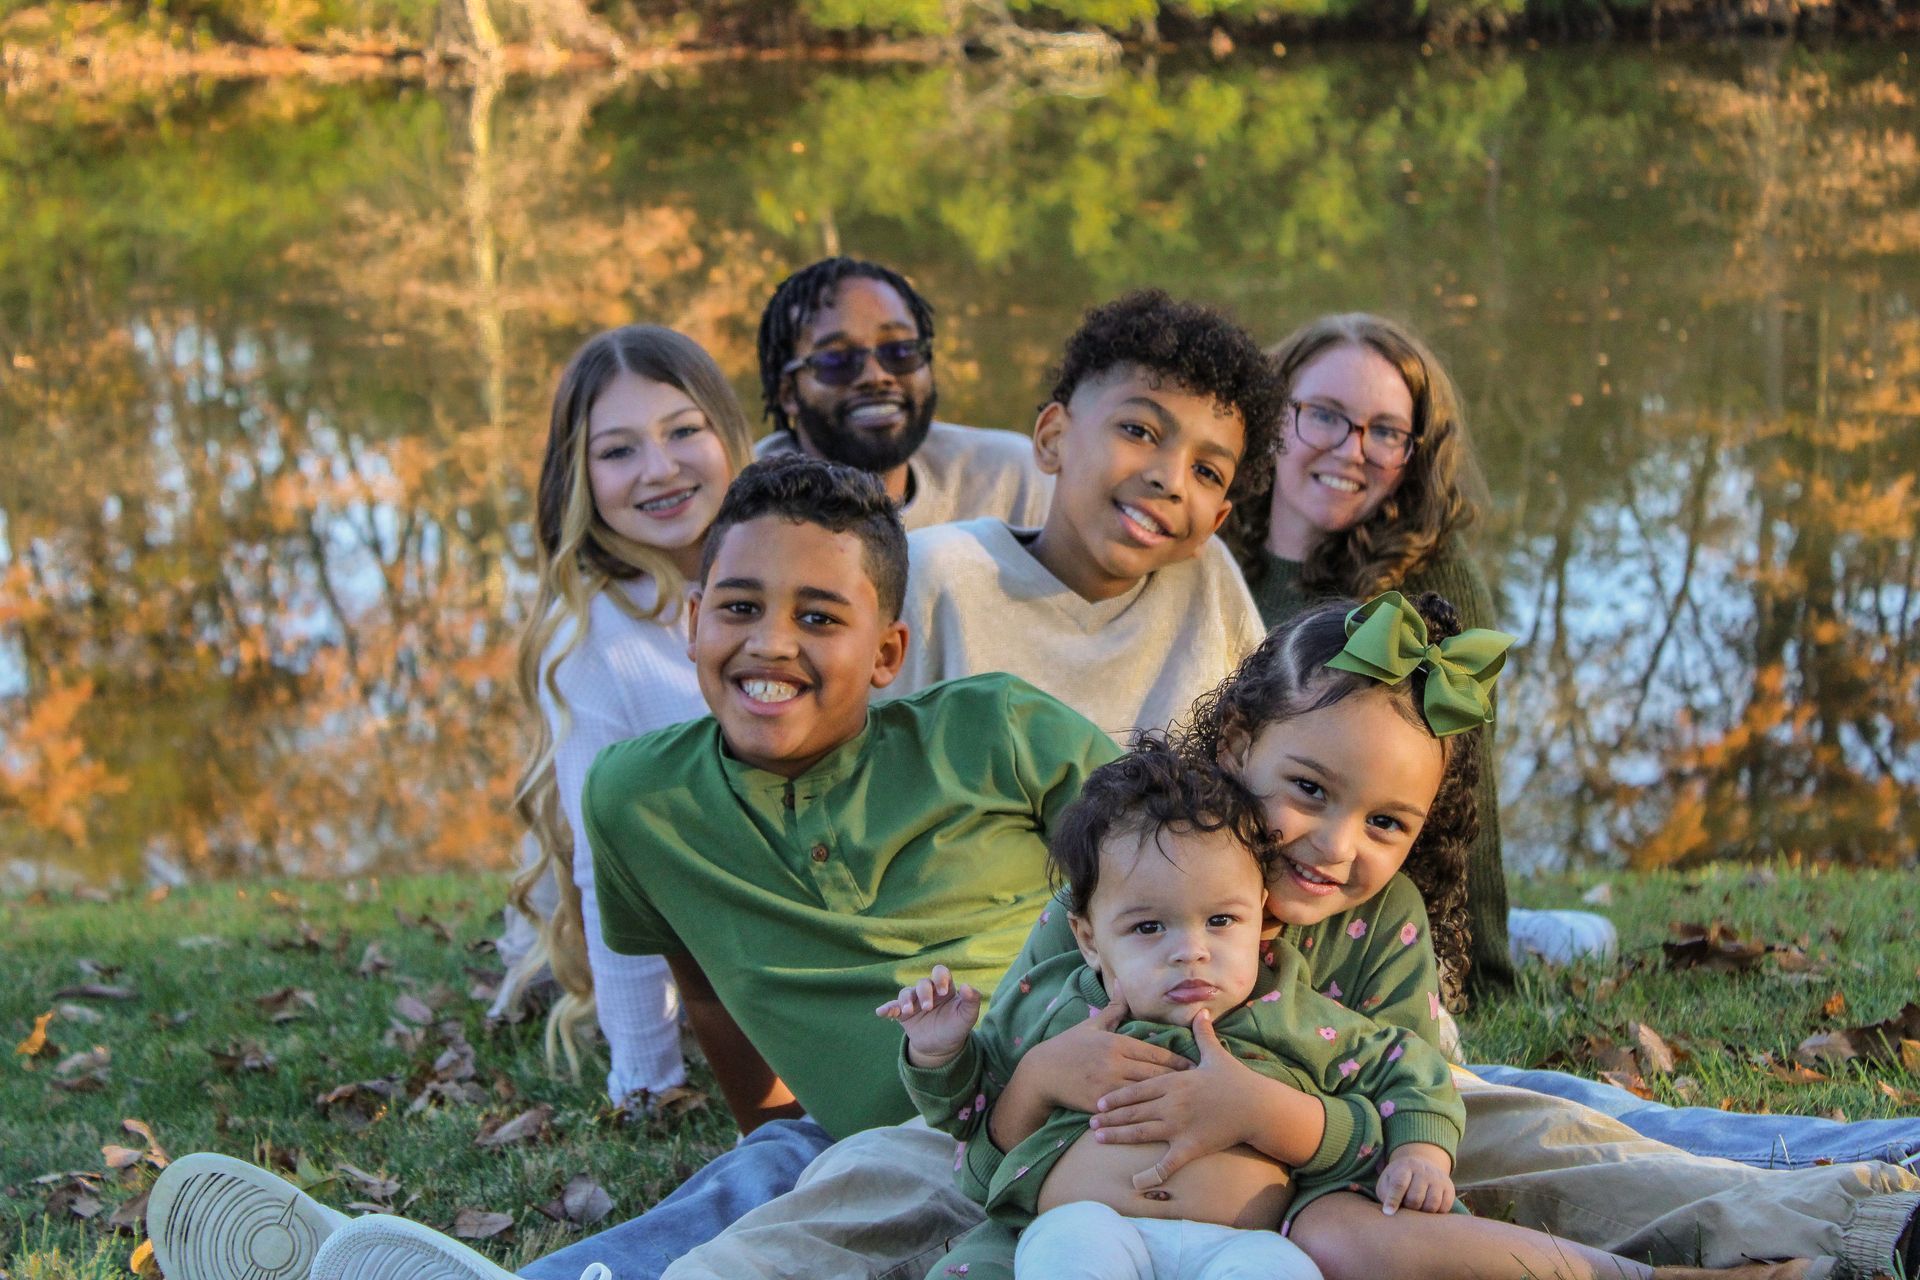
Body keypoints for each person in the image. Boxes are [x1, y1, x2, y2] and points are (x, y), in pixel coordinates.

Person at [657, 595, 1920, 1280]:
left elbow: (1415, 1095)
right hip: (1065, 1149)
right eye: (1305, 789)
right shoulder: (1129, 868)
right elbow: (997, 1069)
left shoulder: (1383, 922)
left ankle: (1833, 1217)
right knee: (868, 1172)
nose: (1332, 844)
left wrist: (1266, 1110)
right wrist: (1041, 1072)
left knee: (1535, 1128)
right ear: (1232, 748)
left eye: (1386, 818)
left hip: (1319, 1166)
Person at [146, 455, 1120, 1280]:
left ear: (886, 650)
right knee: (759, 1179)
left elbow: (1172, 878)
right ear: (693, 621)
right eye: (739, 605)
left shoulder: (996, 731)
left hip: (1017, 1103)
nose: (771, 641)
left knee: (810, 1219)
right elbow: (704, 982)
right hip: (846, 1129)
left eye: (820, 617)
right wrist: (776, 1115)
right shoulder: (638, 797)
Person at [1233, 312, 1920, 1169]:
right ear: (1273, 413)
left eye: (1387, 432)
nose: (1353, 448)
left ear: (1417, 452)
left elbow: (1454, 808)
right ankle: (1555, 929)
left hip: (1368, 899)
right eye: (1325, 415)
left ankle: (1524, 937)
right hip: (1278, 887)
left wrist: (1465, 966)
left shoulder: (1432, 585)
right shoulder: (1213, 544)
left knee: (1541, 1119)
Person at [889, 706, 1813, 1280]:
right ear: (1092, 936)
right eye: (1148, 930)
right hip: (1064, 1229)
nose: (1190, 953)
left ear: (1261, 921)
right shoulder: (1060, 990)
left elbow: (1408, 1073)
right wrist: (969, 1055)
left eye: (1221, 923)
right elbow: (970, 1122)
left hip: (1258, 1240)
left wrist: (1284, 1113)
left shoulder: (1291, 1011)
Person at [489, 325, 753, 1109]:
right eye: (619, 450)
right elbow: (607, 871)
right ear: (579, 473)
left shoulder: (789, 561)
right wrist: (644, 1078)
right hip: (704, 952)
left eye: (683, 432)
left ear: (727, 435)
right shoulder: (592, 642)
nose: (661, 470)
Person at [887, 290, 1268, 742]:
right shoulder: (935, 576)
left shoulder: (1210, 587)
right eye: (1139, 431)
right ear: (1052, 439)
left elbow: (1261, 757)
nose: (1171, 480)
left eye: (1206, 471)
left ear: (1215, 522)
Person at [754, 256, 1053, 530]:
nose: (877, 376)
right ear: (788, 393)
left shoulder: (1008, 478)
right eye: (837, 360)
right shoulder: (743, 506)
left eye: (899, 351)